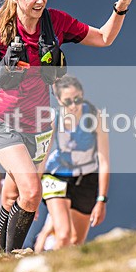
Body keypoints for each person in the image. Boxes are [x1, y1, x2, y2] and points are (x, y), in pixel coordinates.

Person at [0, 0, 136, 253]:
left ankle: (1, 253)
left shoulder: (57, 22)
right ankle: (8, 259)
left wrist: (120, 8)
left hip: (38, 126)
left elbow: (103, 38)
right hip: (2, 122)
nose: (39, 1)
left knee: (13, 193)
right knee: (32, 192)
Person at [41, 75, 110, 248]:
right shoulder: (52, 118)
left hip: (86, 178)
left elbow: (104, 161)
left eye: (77, 99)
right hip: (56, 175)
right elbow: (43, 156)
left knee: (76, 241)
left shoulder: (95, 116)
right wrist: (33, 191)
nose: (73, 106)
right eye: (67, 101)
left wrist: (101, 200)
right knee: (63, 235)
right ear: (58, 99)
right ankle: (47, 269)